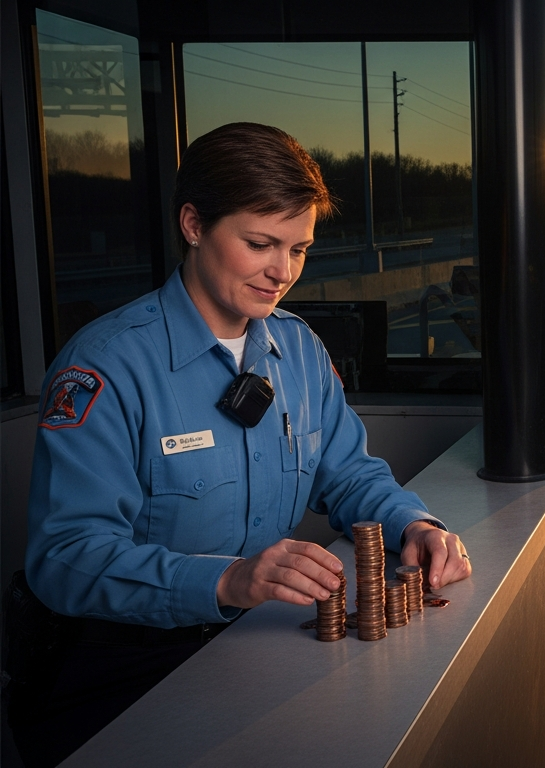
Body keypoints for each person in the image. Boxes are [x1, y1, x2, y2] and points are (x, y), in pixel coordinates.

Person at [12, 122, 471, 767]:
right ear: (194, 225)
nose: (282, 272)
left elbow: (346, 472)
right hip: (127, 671)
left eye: (300, 249)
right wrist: (226, 580)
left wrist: (411, 522)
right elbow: (66, 559)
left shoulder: (300, 350)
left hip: (257, 647)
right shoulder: (106, 367)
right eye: (260, 244)